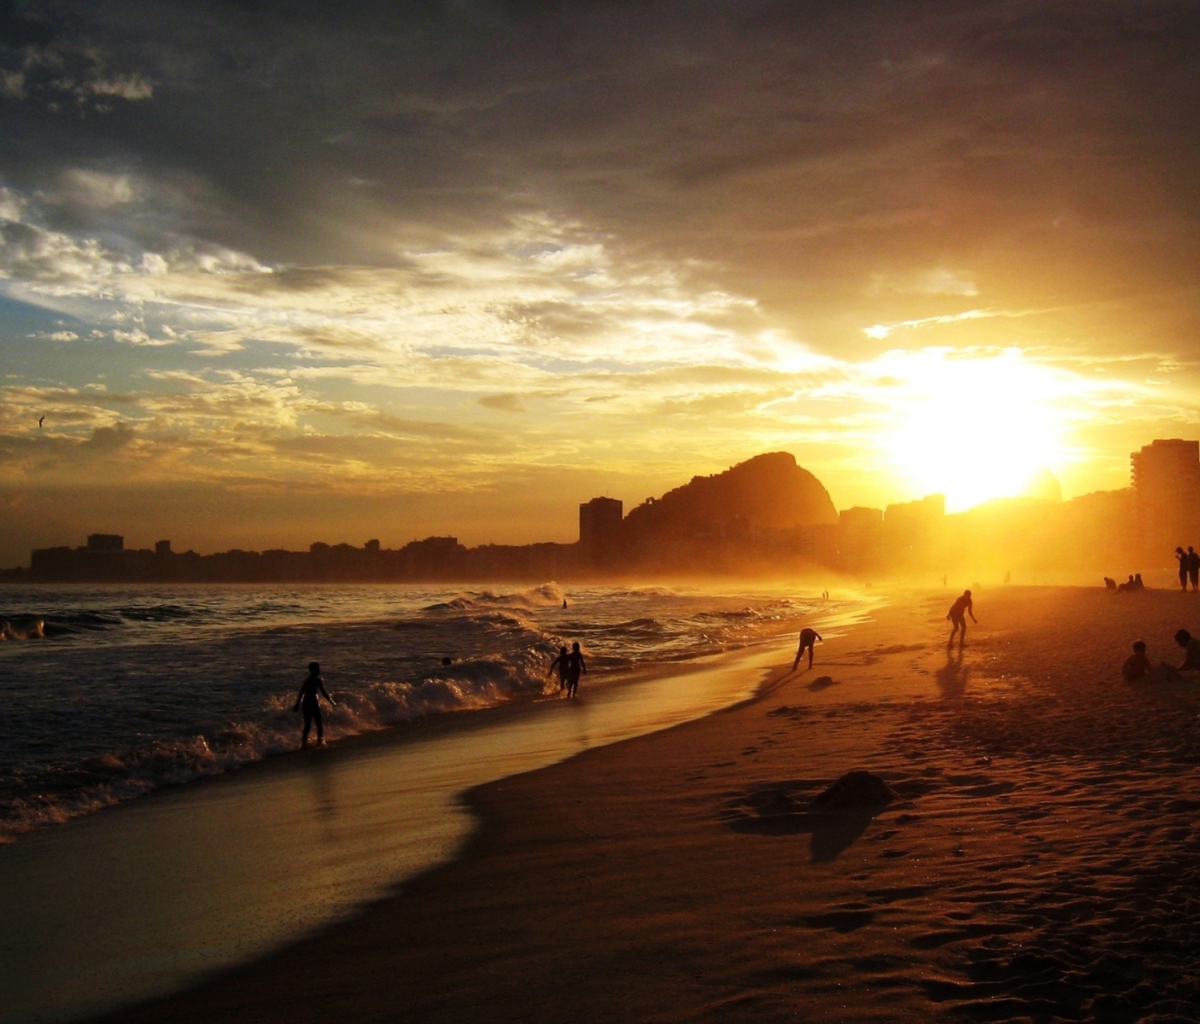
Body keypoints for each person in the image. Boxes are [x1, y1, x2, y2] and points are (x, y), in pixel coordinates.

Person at [293, 661, 335, 748]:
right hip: (313, 704)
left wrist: (297, 704)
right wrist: (331, 701)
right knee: (318, 723)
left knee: (307, 724)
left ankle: (303, 743)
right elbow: (323, 693)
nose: (319, 670)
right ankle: (320, 741)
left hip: (305, 704)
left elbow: (301, 693)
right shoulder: (317, 680)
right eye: (318, 669)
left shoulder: (307, 680)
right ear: (314, 670)